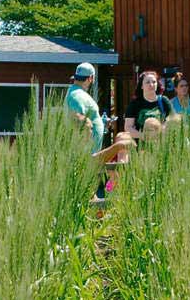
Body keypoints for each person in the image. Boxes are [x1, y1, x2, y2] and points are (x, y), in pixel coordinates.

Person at [64, 62, 120, 200]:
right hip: (86, 156)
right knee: (89, 192)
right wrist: (87, 143)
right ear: (90, 78)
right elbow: (79, 120)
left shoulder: (76, 93)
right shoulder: (77, 95)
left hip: (89, 154)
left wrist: (101, 122)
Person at [124, 70, 174, 138]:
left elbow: (172, 121)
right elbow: (128, 127)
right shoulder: (134, 104)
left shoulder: (164, 101)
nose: (151, 85)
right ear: (141, 86)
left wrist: (160, 132)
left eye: (154, 82)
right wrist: (144, 136)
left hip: (160, 143)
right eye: (147, 82)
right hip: (140, 145)